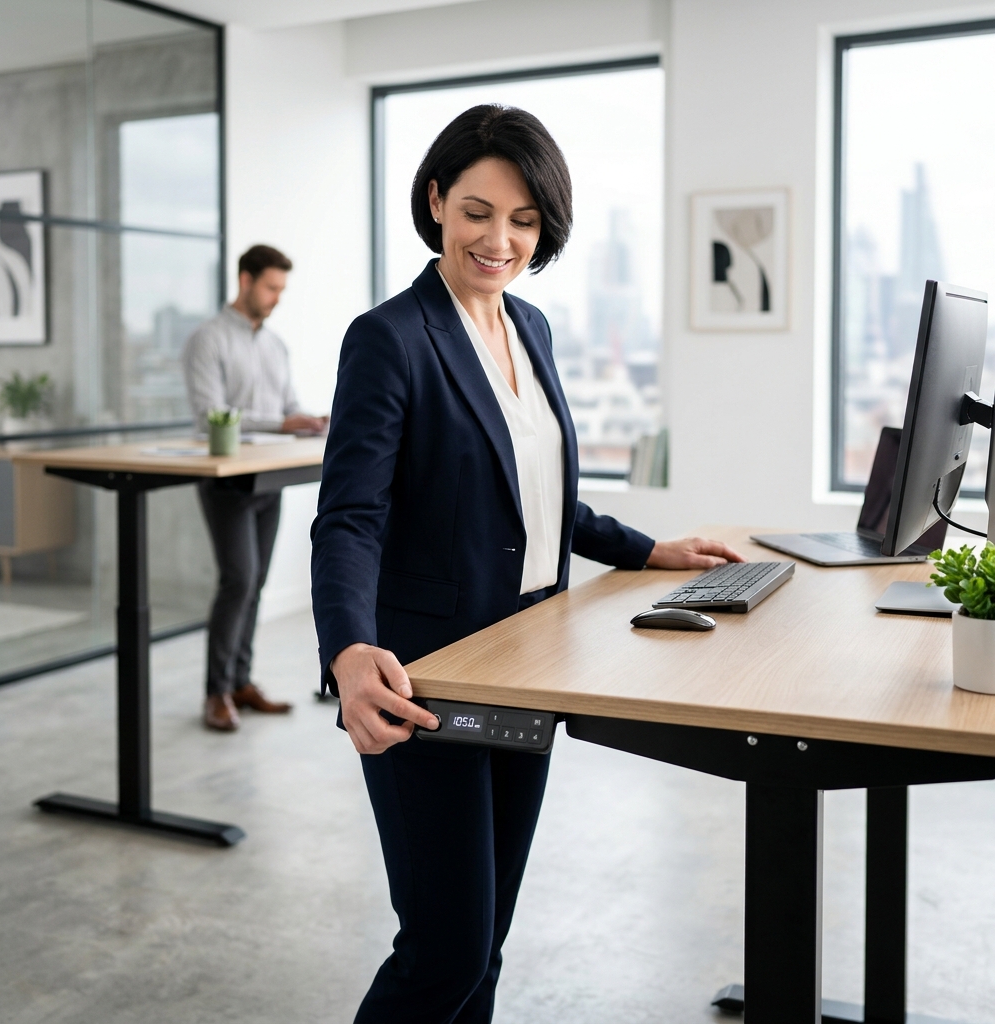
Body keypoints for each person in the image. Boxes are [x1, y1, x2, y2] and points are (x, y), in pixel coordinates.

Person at [310, 106, 742, 1023]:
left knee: (485, 940)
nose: (497, 239)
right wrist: (349, 649)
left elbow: (538, 497)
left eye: (523, 220)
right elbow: (349, 518)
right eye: (476, 211)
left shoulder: (533, 328)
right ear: (434, 202)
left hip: (529, 663)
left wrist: (649, 550)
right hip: (424, 674)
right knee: (443, 950)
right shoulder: (389, 338)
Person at [185, 244, 327, 732]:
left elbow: (289, 405)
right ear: (245, 280)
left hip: (272, 478)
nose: (276, 298)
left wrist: (307, 421)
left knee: (257, 583)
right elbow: (211, 417)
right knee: (238, 581)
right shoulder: (208, 340)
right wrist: (284, 422)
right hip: (229, 481)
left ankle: (241, 682)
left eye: (281, 290)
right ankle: (216, 691)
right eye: (271, 287)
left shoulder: (275, 345)